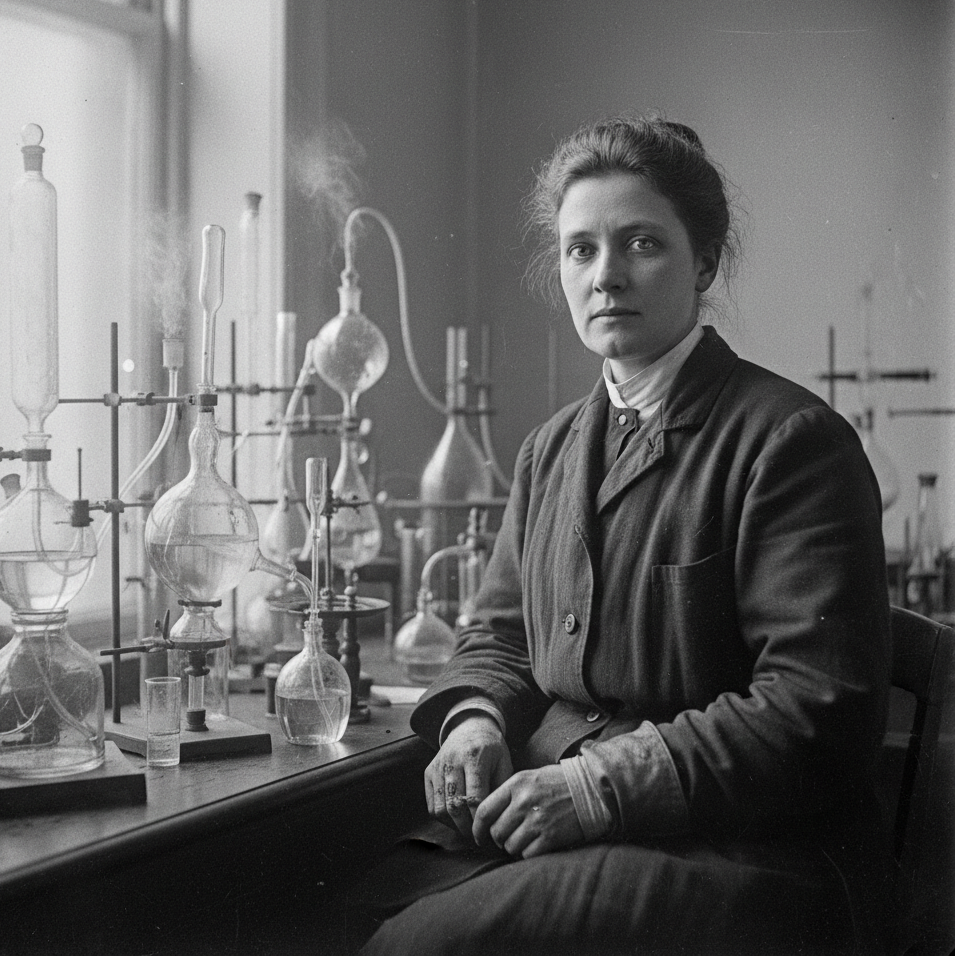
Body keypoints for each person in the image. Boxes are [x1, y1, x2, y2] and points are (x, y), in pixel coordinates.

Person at [357, 116, 894, 955]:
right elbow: (498, 636)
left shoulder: (789, 442)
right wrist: (475, 723)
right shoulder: (550, 450)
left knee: (411, 947)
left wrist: (597, 787)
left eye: (640, 243)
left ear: (705, 262)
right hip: (560, 819)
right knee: (331, 903)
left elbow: (812, 712)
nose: (606, 276)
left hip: (739, 853)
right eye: (580, 250)